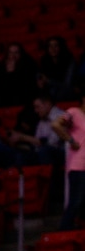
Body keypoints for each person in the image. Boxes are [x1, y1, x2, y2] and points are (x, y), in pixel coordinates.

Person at [54, 85, 85, 231]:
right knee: (76, 201)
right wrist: (71, 141)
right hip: (78, 165)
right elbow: (56, 125)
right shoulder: (74, 112)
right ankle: (64, 230)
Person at [0, 41, 38, 109]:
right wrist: (9, 74)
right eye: (10, 52)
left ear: (21, 54)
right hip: (7, 99)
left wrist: (13, 74)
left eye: (16, 53)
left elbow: (26, 86)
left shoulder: (29, 65)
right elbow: (1, 87)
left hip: (24, 97)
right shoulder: (2, 66)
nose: (13, 56)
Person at [36, 36, 76, 103]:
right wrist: (40, 81)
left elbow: (67, 85)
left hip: (66, 92)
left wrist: (49, 81)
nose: (53, 49)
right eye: (50, 46)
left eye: (56, 46)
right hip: (50, 92)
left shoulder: (69, 61)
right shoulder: (44, 61)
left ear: (61, 47)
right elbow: (40, 76)